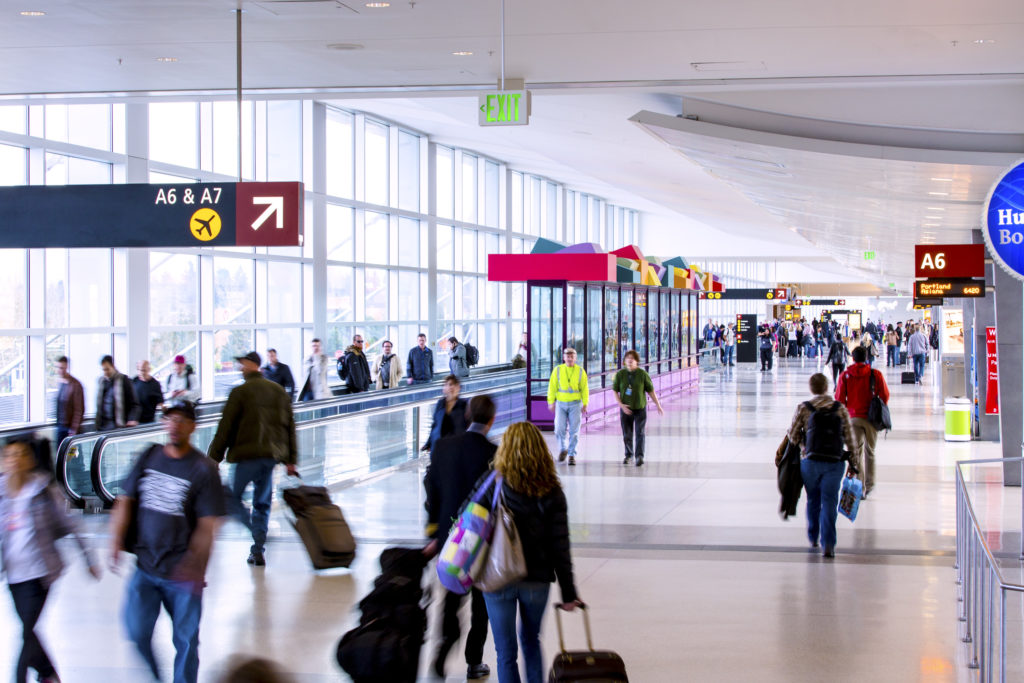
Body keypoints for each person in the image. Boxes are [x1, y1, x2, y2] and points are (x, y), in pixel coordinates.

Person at [109, 400, 224, 683]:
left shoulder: (203, 469)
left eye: (182, 420)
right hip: (146, 564)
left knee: (186, 641)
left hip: (182, 571)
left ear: (193, 427)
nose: (175, 425)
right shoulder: (149, 455)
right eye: (170, 419)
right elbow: (125, 499)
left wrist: (199, 566)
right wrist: (114, 540)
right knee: (136, 631)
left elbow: (208, 524)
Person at [482, 422, 582, 683]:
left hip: (497, 575)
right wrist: (569, 593)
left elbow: (465, 519)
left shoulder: (492, 483)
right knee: (531, 642)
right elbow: (561, 546)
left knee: (505, 652)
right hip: (537, 580)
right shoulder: (552, 490)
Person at [2, 438, 100, 683]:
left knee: (26, 632)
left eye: (21, 455)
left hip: (40, 574)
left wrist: (88, 557)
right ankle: (48, 673)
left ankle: (20, 678)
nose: (15, 460)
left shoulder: (43, 490)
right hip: (14, 574)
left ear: (30, 460)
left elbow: (71, 525)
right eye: (10, 455)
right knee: (29, 631)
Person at [423, 395, 497, 680]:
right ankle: (474, 661)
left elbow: (431, 488)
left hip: (450, 537)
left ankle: (441, 654)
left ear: (467, 415)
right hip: (481, 542)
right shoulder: (494, 454)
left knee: (451, 600)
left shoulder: (443, 447)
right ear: (491, 420)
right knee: (481, 605)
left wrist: (433, 532)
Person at [208, 352, 298, 567]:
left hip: (246, 456)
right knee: (262, 503)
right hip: (270, 457)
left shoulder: (240, 392)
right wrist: (290, 460)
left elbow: (225, 427)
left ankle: (253, 531)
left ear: (253, 365)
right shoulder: (278, 391)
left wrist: (213, 458)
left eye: (243, 364)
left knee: (231, 498)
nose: (240, 368)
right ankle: (257, 549)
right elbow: (289, 428)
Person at [785, 373, 858, 559]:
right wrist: (854, 464)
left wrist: (804, 446)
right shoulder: (839, 408)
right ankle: (829, 544)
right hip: (834, 463)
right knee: (830, 502)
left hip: (810, 462)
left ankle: (813, 536)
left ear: (811, 388)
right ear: (827, 388)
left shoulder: (803, 408)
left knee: (813, 500)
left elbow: (792, 436)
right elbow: (850, 439)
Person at [835, 346, 889, 499]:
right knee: (870, 451)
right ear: (866, 358)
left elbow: (839, 399)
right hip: (870, 419)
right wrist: (877, 408)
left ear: (853, 358)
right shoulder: (875, 374)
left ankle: (860, 484)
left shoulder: (845, 375)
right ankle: (870, 485)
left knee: (855, 453)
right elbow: (884, 395)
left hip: (853, 418)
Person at [613, 349, 664, 466]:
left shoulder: (642, 374)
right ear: (624, 361)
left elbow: (650, 391)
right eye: (628, 358)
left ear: (636, 361)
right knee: (627, 433)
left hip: (640, 408)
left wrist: (658, 405)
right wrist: (621, 405)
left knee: (640, 433)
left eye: (633, 359)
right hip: (626, 409)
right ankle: (628, 455)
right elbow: (615, 391)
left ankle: (639, 456)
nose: (630, 360)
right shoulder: (620, 375)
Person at [547, 347, 589, 466]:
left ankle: (571, 454)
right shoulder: (558, 370)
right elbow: (552, 387)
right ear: (564, 358)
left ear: (576, 358)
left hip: (575, 404)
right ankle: (563, 449)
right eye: (568, 356)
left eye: (572, 356)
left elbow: (584, 389)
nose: (570, 358)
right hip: (561, 404)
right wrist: (551, 402)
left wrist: (585, 403)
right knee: (559, 428)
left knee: (574, 431)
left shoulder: (580, 371)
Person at [423, 375, 468, 453]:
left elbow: (467, 427)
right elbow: (435, 425)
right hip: (438, 446)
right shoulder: (440, 403)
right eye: (447, 385)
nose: (450, 387)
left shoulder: (463, 405)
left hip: (455, 448)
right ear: (443, 389)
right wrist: (428, 443)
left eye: (453, 384)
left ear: (458, 388)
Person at [96, 355, 140, 431]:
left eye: (107, 369)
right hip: (103, 425)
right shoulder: (102, 381)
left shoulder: (124, 380)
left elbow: (134, 404)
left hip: (117, 424)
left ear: (113, 366)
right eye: (103, 370)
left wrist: (132, 419)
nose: (105, 372)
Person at [53, 355, 84, 445]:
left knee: (72, 456)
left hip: (70, 429)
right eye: (58, 368)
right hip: (60, 426)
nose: (60, 370)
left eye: (63, 368)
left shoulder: (75, 384)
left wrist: (74, 429)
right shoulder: (59, 383)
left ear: (67, 367)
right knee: (61, 454)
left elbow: (79, 410)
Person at [133, 360, 164, 424]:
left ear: (149, 369)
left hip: (148, 421)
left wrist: (163, 416)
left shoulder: (155, 384)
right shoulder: (134, 381)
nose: (142, 373)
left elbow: (160, 403)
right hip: (135, 420)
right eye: (139, 370)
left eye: (144, 370)